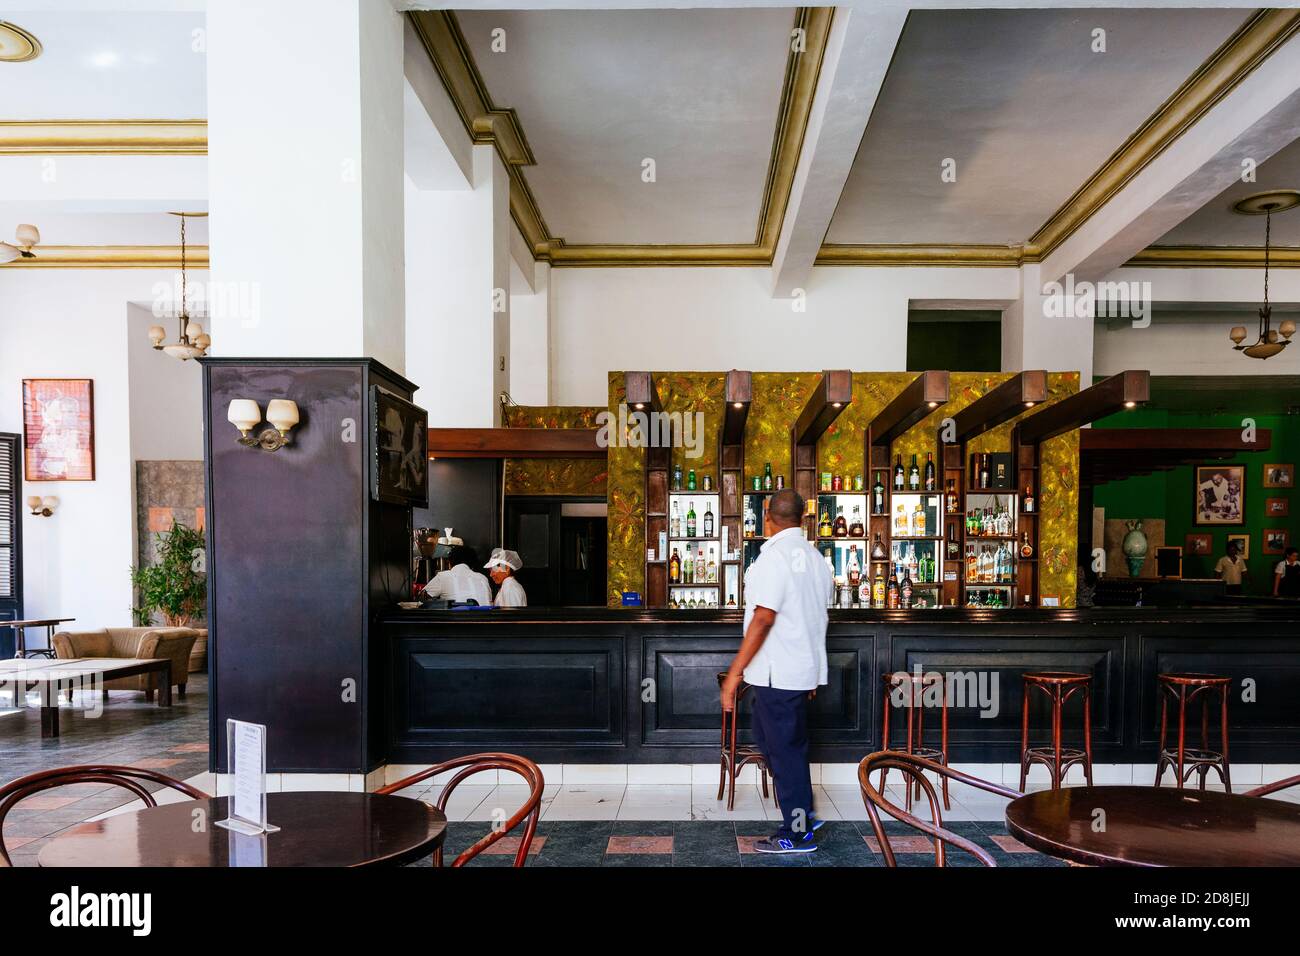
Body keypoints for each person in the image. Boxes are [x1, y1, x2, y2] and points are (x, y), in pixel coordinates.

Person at [720, 488, 832, 854]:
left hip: (778, 674)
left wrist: (736, 672)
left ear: (768, 516)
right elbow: (817, 619)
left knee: (784, 751)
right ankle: (805, 814)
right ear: (802, 517)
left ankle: (798, 833)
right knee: (776, 744)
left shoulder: (774, 557)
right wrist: (813, 670)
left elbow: (764, 617)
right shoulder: (816, 558)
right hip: (794, 672)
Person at [422, 545, 492, 605]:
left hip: (456, 619)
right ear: (473, 564)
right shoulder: (483, 578)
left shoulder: (443, 576)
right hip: (487, 619)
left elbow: (422, 598)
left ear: (449, 563)